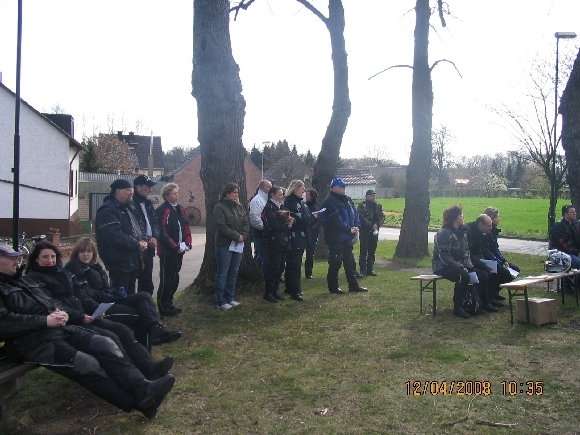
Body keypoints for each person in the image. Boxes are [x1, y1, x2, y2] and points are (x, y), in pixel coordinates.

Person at [0, 243, 175, 419]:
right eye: (11, 257)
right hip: (35, 343)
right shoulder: (17, 282)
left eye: (17, 256)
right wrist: (46, 320)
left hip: (62, 328)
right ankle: (139, 403)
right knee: (86, 363)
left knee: (105, 343)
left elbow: (53, 301)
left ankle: (144, 387)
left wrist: (60, 312)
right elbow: (5, 322)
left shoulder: (22, 280)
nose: (17, 260)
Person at [65, 238, 182, 346]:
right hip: (98, 308)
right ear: (76, 254)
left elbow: (105, 289)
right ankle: (146, 346)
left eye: (89, 251)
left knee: (144, 296)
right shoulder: (74, 271)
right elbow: (86, 296)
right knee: (139, 313)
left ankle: (157, 329)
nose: (86, 255)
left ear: (93, 253)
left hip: (109, 300)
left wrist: (115, 292)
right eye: (82, 252)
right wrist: (110, 297)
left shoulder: (96, 267)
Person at [432, 206, 496, 319]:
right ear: (455, 218)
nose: (463, 217)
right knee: (464, 276)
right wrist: (461, 266)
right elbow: (444, 256)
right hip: (442, 266)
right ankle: (458, 308)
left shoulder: (462, 232)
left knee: (482, 273)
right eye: (461, 215)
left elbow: (466, 253)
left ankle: (482, 303)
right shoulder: (444, 233)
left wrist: (470, 266)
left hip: (459, 264)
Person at [95, 179, 149, 295]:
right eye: (127, 190)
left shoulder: (128, 207)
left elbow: (138, 225)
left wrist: (143, 239)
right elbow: (114, 235)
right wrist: (137, 244)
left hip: (131, 260)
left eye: (132, 190)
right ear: (117, 191)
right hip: (119, 262)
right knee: (120, 296)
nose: (131, 193)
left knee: (130, 294)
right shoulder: (107, 210)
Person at [320, 178, 368, 294]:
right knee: (335, 263)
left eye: (343, 187)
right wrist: (348, 229)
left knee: (350, 263)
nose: (343, 189)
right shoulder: (329, 202)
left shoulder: (347, 200)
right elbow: (335, 221)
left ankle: (353, 286)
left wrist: (356, 226)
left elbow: (355, 214)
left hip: (347, 238)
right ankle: (333, 287)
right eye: (340, 187)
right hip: (335, 238)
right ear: (333, 188)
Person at [156, 183, 192, 316]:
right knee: (166, 280)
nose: (177, 195)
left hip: (179, 250)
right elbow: (162, 232)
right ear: (166, 195)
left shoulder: (180, 209)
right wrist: (174, 246)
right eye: (173, 193)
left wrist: (188, 242)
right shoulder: (162, 210)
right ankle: (163, 307)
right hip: (167, 252)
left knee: (175, 278)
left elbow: (186, 226)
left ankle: (169, 304)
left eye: (177, 192)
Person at [213, 183, 249, 310]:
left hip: (238, 244)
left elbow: (245, 222)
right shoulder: (220, 207)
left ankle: (230, 298)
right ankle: (220, 301)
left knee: (233, 272)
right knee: (222, 273)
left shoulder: (239, 207)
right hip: (224, 245)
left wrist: (243, 236)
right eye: (234, 192)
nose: (236, 195)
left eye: (237, 192)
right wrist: (236, 236)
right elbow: (221, 226)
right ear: (227, 193)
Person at [261, 186, 292, 303]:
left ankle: (275, 291)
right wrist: (287, 224)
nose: (282, 196)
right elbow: (273, 226)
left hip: (282, 241)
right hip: (273, 242)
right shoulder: (269, 207)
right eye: (280, 194)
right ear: (273, 195)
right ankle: (268, 293)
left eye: (282, 194)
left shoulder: (281, 206)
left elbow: (286, 220)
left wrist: (289, 222)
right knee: (273, 268)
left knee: (280, 268)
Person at [466, 214, 505, 308]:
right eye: (489, 226)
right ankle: (485, 302)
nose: (491, 228)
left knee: (499, 269)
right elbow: (469, 253)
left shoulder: (483, 232)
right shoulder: (468, 231)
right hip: (470, 260)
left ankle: (491, 298)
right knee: (487, 273)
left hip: (479, 259)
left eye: (491, 225)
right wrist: (483, 263)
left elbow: (485, 250)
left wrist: (498, 261)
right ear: (480, 224)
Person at [133, 175, 160, 295]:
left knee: (147, 281)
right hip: (137, 246)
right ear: (137, 187)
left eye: (150, 187)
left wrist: (155, 236)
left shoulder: (148, 203)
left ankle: (145, 308)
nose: (150, 190)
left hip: (149, 246)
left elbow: (155, 221)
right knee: (131, 281)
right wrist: (143, 239)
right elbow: (133, 226)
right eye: (147, 187)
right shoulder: (130, 203)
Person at [483, 207, 519, 298]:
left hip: (494, 260)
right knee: (504, 271)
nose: (499, 219)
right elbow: (486, 251)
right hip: (485, 260)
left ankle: (495, 292)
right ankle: (491, 294)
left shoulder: (494, 231)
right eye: (497, 217)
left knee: (515, 269)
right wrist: (499, 263)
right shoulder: (486, 232)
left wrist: (503, 260)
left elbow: (495, 249)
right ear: (491, 218)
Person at [284, 180, 309, 302]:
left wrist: (308, 217)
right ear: (295, 188)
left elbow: (305, 217)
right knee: (294, 265)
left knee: (294, 264)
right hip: (294, 237)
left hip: (301, 236)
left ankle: (290, 288)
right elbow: (292, 217)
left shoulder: (301, 202)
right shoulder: (289, 201)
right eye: (302, 188)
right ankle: (295, 290)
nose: (304, 191)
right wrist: (302, 218)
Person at [357, 189, 384, 277]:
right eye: (371, 195)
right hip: (365, 231)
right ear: (367, 196)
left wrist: (377, 224)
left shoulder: (377, 205)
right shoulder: (362, 205)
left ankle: (370, 269)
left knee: (372, 251)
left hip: (374, 231)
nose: (373, 197)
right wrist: (371, 225)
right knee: (364, 251)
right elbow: (361, 217)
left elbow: (381, 216)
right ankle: (363, 270)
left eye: (374, 195)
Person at [249, 180, 272, 268]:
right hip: (260, 233)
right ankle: (258, 272)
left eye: (271, 187)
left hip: (267, 233)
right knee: (260, 255)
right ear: (262, 187)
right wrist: (265, 228)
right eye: (268, 187)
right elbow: (254, 218)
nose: (270, 189)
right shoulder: (257, 200)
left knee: (265, 256)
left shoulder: (267, 199)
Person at [304, 188, 320, 279]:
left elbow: (319, 219)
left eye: (308, 195)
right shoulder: (304, 205)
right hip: (305, 230)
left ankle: (308, 272)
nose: (306, 196)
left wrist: (315, 227)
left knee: (310, 254)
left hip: (313, 232)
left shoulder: (316, 205)